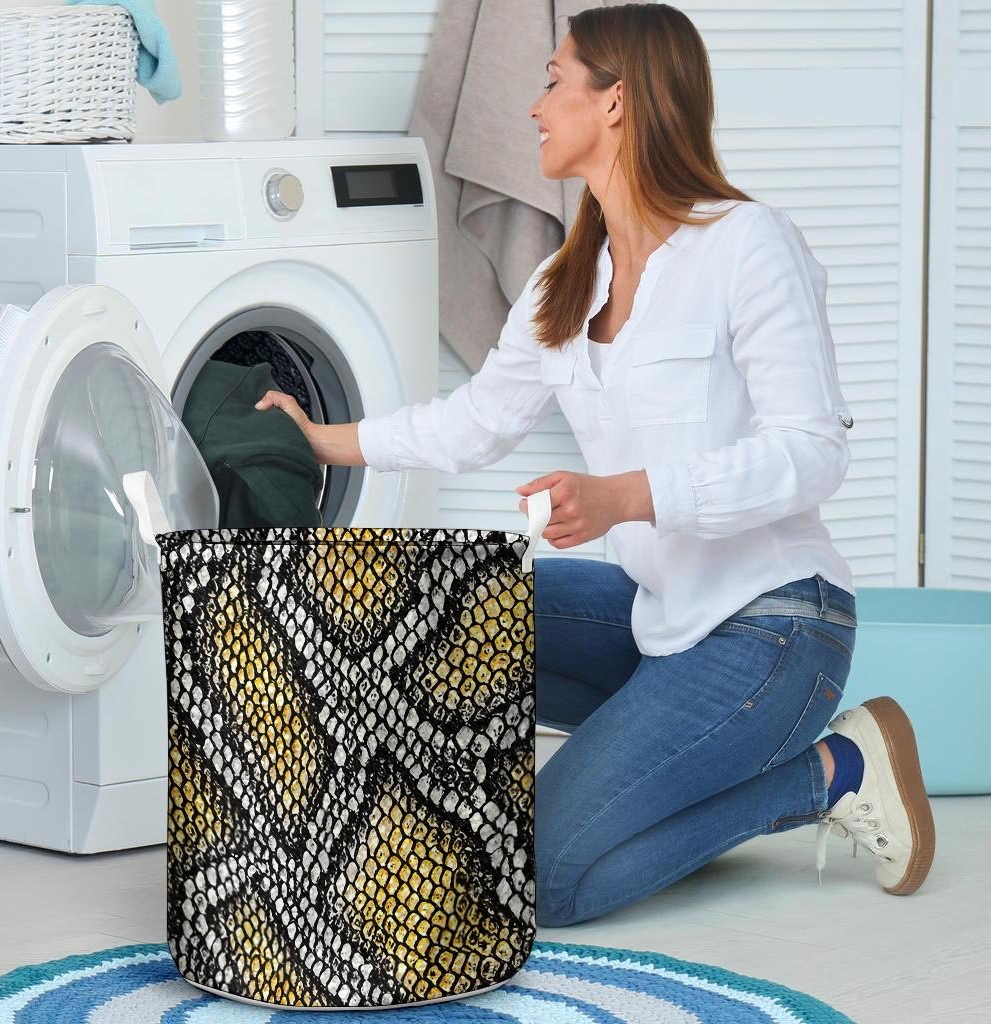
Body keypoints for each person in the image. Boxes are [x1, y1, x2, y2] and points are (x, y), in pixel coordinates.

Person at [254, 3, 936, 927]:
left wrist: (627, 498)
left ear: (615, 102)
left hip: (776, 627)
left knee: (547, 878)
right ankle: (624, 770)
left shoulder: (745, 244)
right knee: (436, 618)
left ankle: (833, 773)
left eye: (553, 81)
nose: (534, 107)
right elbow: (476, 422)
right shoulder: (564, 281)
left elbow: (813, 454)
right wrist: (327, 437)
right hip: (661, 620)